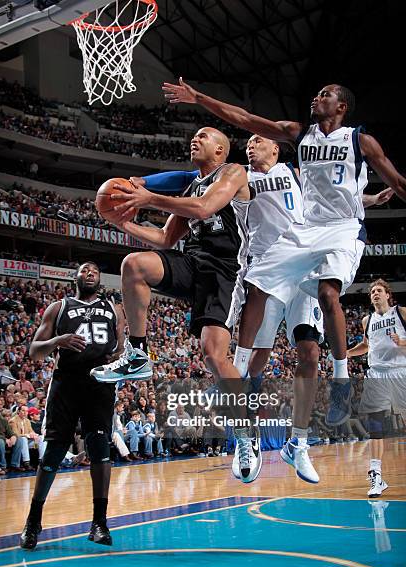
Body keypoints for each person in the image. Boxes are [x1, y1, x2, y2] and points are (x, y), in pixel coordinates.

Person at [120, 138, 391, 484]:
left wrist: (367, 200)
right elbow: (189, 179)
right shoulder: (238, 176)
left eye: (258, 142)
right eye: (247, 143)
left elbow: (330, 197)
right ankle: (245, 420)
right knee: (254, 356)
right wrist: (145, 184)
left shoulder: (294, 173)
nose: (250, 146)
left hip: (305, 265)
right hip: (267, 268)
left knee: (308, 353)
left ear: (276, 150)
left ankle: (299, 444)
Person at [162, 79, 406, 431]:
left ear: (341, 107)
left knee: (327, 293)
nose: (317, 97)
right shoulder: (298, 134)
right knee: (257, 286)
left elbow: (398, 183)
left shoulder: (359, 140)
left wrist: (372, 198)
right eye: (317, 92)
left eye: (326, 95)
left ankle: (340, 380)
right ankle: (242, 375)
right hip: (305, 229)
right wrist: (198, 97)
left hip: (343, 228)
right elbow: (244, 117)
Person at [91, 127, 261, 482]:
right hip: (192, 264)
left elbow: (204, 207)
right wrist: (123, 223)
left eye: (203, 135)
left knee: (213, 353)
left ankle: (246, 433)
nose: (194, 140)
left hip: (226, 271)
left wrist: (148, 198)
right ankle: (137, 354)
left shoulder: (233, 172)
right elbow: (166, 239)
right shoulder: (188, 187)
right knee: (134, 264)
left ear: (220, 148)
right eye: (193, 136)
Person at [19, 262, 124, 550]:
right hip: (66, 382)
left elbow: (120, 349)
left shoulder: (114, 309)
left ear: (100, 279)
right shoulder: (58, 307)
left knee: (101, 450)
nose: (90, 273)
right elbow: (34, 351)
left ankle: (99, 523)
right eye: (84, 270)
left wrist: (115, 365)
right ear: (75, 277)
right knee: (53, 450)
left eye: (94, 271)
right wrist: (58, 340)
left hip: (100, 384)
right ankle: (33, 521)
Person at [347, 279, 406, 497]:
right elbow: (366, 345)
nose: (375, 293)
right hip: (376, 374)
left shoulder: (401, 313)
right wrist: (347, 353)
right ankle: (376, 476)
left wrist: (402, 342)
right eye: (372, 291)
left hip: (400, 371)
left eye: (379, 290)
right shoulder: (367, 320)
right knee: (375, 426)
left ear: (388, 295)